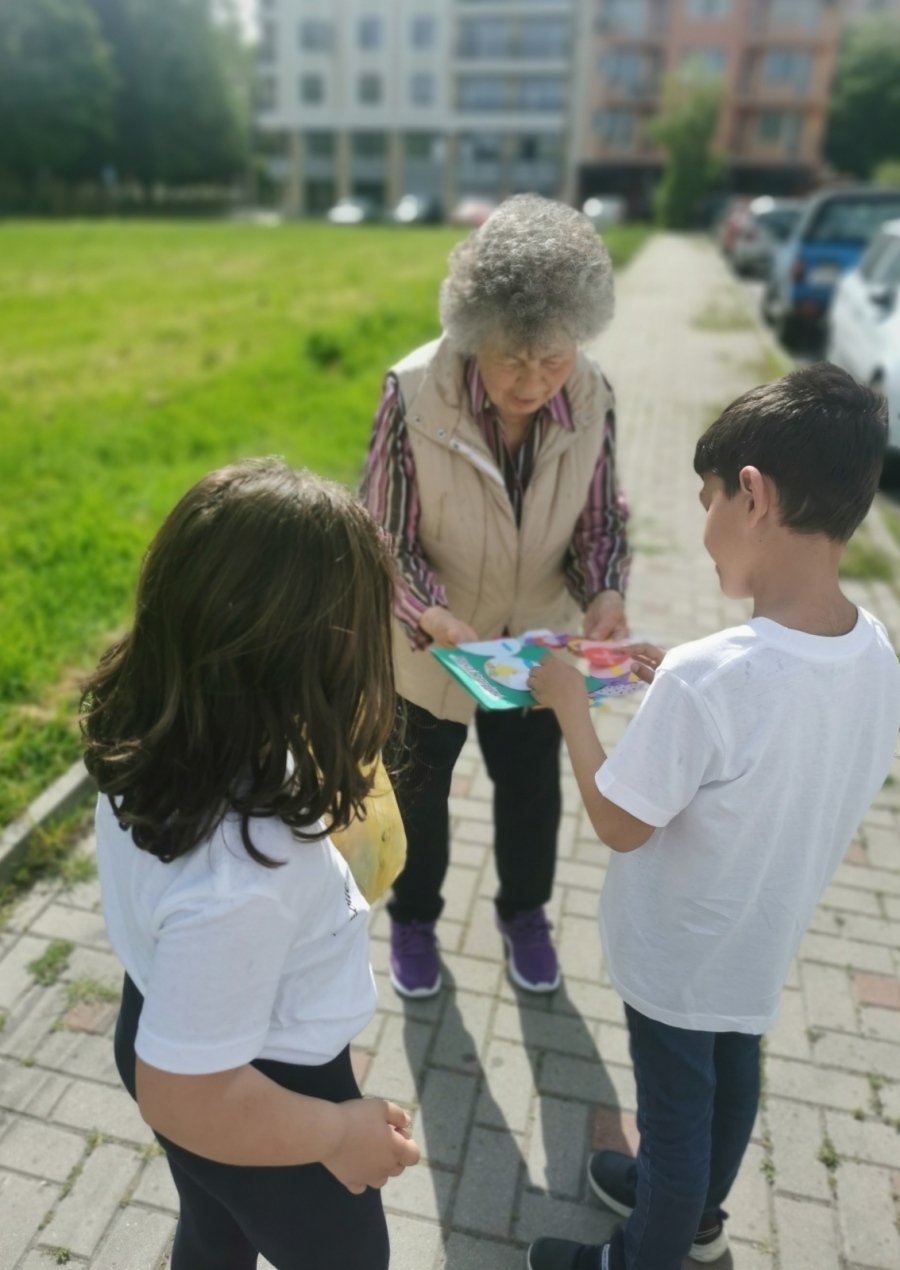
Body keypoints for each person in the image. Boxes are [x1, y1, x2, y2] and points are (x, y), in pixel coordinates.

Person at [524, 364, 900, 1270]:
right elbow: (775, 740)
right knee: (734, 1076)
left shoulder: (711, 674)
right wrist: (680, 689)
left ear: (753, 497)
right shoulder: (873, 649)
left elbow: (621, 824)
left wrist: (571, 705)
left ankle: (642, 1253)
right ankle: (692, 1217)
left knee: (678, 1113)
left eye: (707, 501)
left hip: (679, 947)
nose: (703, 530)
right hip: (759, 935)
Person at [81, 460, 420, 1270]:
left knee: (214, 1227)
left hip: (165, 1023)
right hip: (257, 1087)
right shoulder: (246, 874)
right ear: (310, 660)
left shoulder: (159, 733)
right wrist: (339, 1131)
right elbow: (188, 1097)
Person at [361, 194, 630, 999]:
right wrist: (425, 612)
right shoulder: (412, 393)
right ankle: (413, 920)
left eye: (554, 359)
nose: (535, 381)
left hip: (532, 642)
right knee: (419, 794)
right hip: (433, 643)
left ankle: (523, 914)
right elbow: (383, 534)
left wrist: (605, 592)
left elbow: (600, 519)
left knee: (530, 792)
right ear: (475, 329)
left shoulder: (593, 395)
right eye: (514, 357)